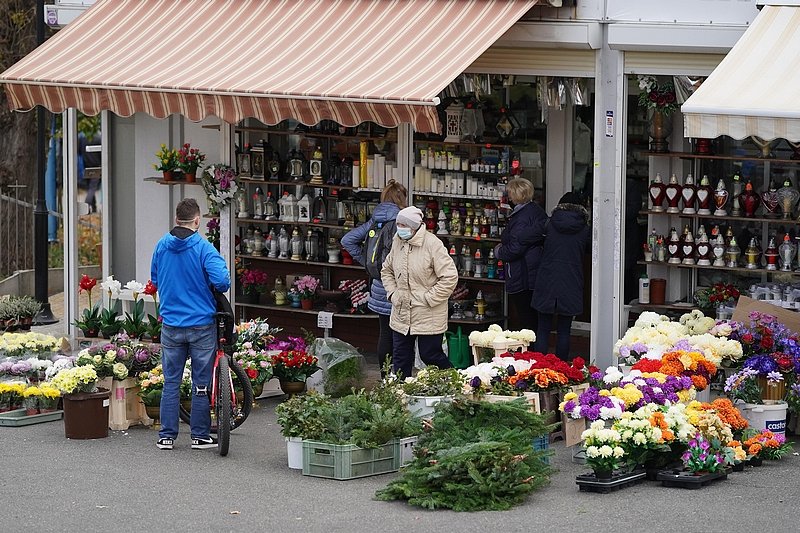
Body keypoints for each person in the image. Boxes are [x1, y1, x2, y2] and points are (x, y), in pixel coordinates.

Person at [150, 198, 230, 450]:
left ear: (176, 219)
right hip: (200, 324)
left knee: (171, 382)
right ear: (197, 221)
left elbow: (154, 278)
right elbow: (223, 281)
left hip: (171, 324)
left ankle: (166, 436)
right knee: (201, 382)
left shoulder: (162, 246)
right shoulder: (203, 248)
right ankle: (199, 435)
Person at [381, 206, 458, 378]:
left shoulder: (433, 244)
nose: (399, 228)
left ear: (415, 226)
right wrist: (393, 293)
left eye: (403, 224)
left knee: (430, 355)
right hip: (401, 311)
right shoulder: (398, 242)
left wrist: (429, 298)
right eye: (398, 224)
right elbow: (386, 270)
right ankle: (400, 396)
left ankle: (454, 383)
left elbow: (450, 277)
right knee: (401, 357)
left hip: (428, 313)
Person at [341, 180, 407, 376]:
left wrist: (368, 262)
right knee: (401, 335)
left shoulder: (374, 221)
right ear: (400, 198)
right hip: (397, 285)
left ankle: (385, 376)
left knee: (385, 334)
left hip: (378, 285)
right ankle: (401, 377)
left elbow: (347, 240)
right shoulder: (401, 222)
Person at [532, 192, 591, 360]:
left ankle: (539, 366)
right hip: (571, 279)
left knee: (543, 328)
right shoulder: (585, 229)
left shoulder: (549, 224)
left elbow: (531, 238)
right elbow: (589, 250)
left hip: (547, 278)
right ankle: (562, 368)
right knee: (564, 329)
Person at [494, 177, 547, 335]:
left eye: (510, 194)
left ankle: (529, 354)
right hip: (532, 270)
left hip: (522, 272)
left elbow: (515, 248)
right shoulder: (536, 211)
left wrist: (498, 251)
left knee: (526, 318)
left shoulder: (521, 218)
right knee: (533, 317)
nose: (508, 197)